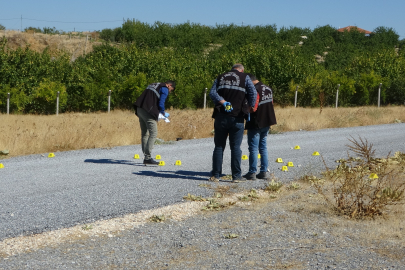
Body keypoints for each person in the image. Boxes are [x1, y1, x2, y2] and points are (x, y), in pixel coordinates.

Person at [209, 64, 257, 182]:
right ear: (241, 70)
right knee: (235, 147)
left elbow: (212, 93)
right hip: (237, 116)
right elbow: (253, 93)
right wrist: (250, 108)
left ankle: (216, 175)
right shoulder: (244, 77)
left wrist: (223, 102)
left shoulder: (220, 77)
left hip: (221, 116)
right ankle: (236, 176)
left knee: (219, 146)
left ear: (232, 69)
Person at [243, 74, 277, 180]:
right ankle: (263, 171)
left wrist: (244, 110)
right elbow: (271, 103)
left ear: (250, 81)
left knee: (253, 148)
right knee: (263, 148)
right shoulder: (268, 88)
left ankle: (252, 172)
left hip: (256, 122)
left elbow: (254, 107)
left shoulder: (255, 90)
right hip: (267, 121)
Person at [133, 81, 175, 165]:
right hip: (147, 111)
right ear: (169, 85)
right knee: (153, 133)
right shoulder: (164, 88)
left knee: (144, 133)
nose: (169, 92)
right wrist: (162, 112)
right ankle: (147, 157)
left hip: (139, 108)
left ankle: (146, 157)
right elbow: (161, 102)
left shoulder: (154, 84)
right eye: (171, 90)